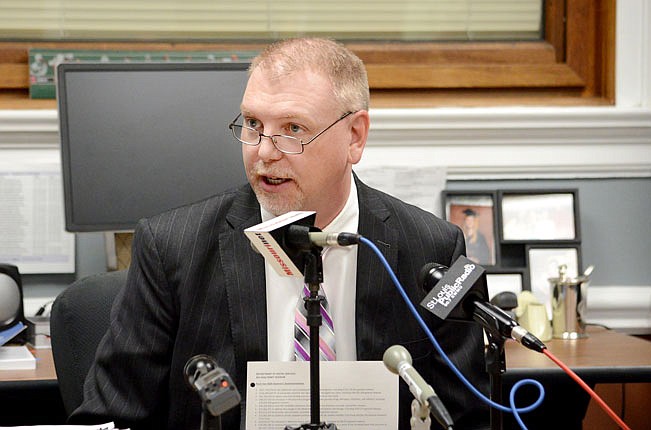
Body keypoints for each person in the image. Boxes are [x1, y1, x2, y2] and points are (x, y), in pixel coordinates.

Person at [70, 38, 489, 429]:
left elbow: (465, 416)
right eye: (252, 123)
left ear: (355, 137)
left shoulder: (433, 249)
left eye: (292, 129)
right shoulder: (172, 247)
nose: (264, 151)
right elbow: (112, 418)